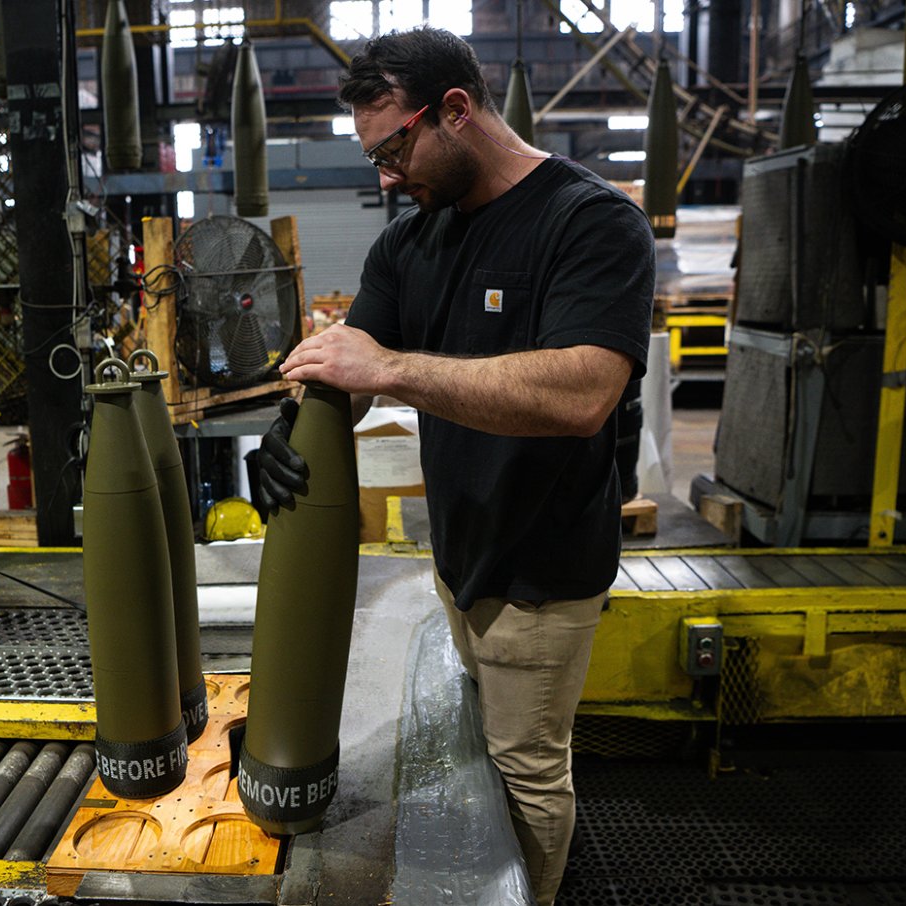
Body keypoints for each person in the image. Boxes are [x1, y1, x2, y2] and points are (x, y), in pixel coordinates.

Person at [255, 27, 654, 906]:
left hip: (543, 571)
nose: (386, 179)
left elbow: (584, 391)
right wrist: (295, 426)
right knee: (481, 743)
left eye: (393, 150)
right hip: (459, 556)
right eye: (375, 159)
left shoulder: (588, 222)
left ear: (458, 111)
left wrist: (392, 372)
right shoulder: (411, 242)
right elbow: (348, 363)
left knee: (525, 771)